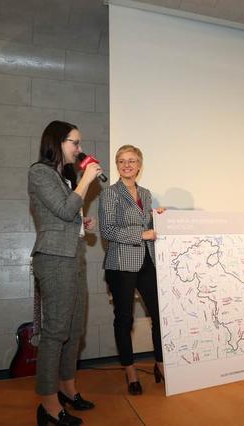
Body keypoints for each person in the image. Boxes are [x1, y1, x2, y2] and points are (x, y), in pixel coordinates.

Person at [29, 120, 102, 426]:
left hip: (74, 257)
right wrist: (86, 181)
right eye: (75, 142)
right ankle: (48, 405)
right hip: (54, 259)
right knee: (56, 332)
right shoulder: (40, 172)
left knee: (74, 331)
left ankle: (67, 388)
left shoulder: (66, 178)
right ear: (57, 142)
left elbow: (67, 215)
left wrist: (82, 224)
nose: (79, 148)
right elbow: (62, 210)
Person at [98, 145, 164, 395]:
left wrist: (159, 218)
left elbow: (148, 224)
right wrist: (141, 233)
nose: (127, 165)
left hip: (147, 262)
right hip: (121, 264)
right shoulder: (109, 193)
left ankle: (160, 364)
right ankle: (130, 372)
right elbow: (107, 230)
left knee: (159, 315)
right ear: (117, 165)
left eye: (132, 161)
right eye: (122, 161)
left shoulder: (145, 194)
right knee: (124, 319)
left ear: (139, 165)